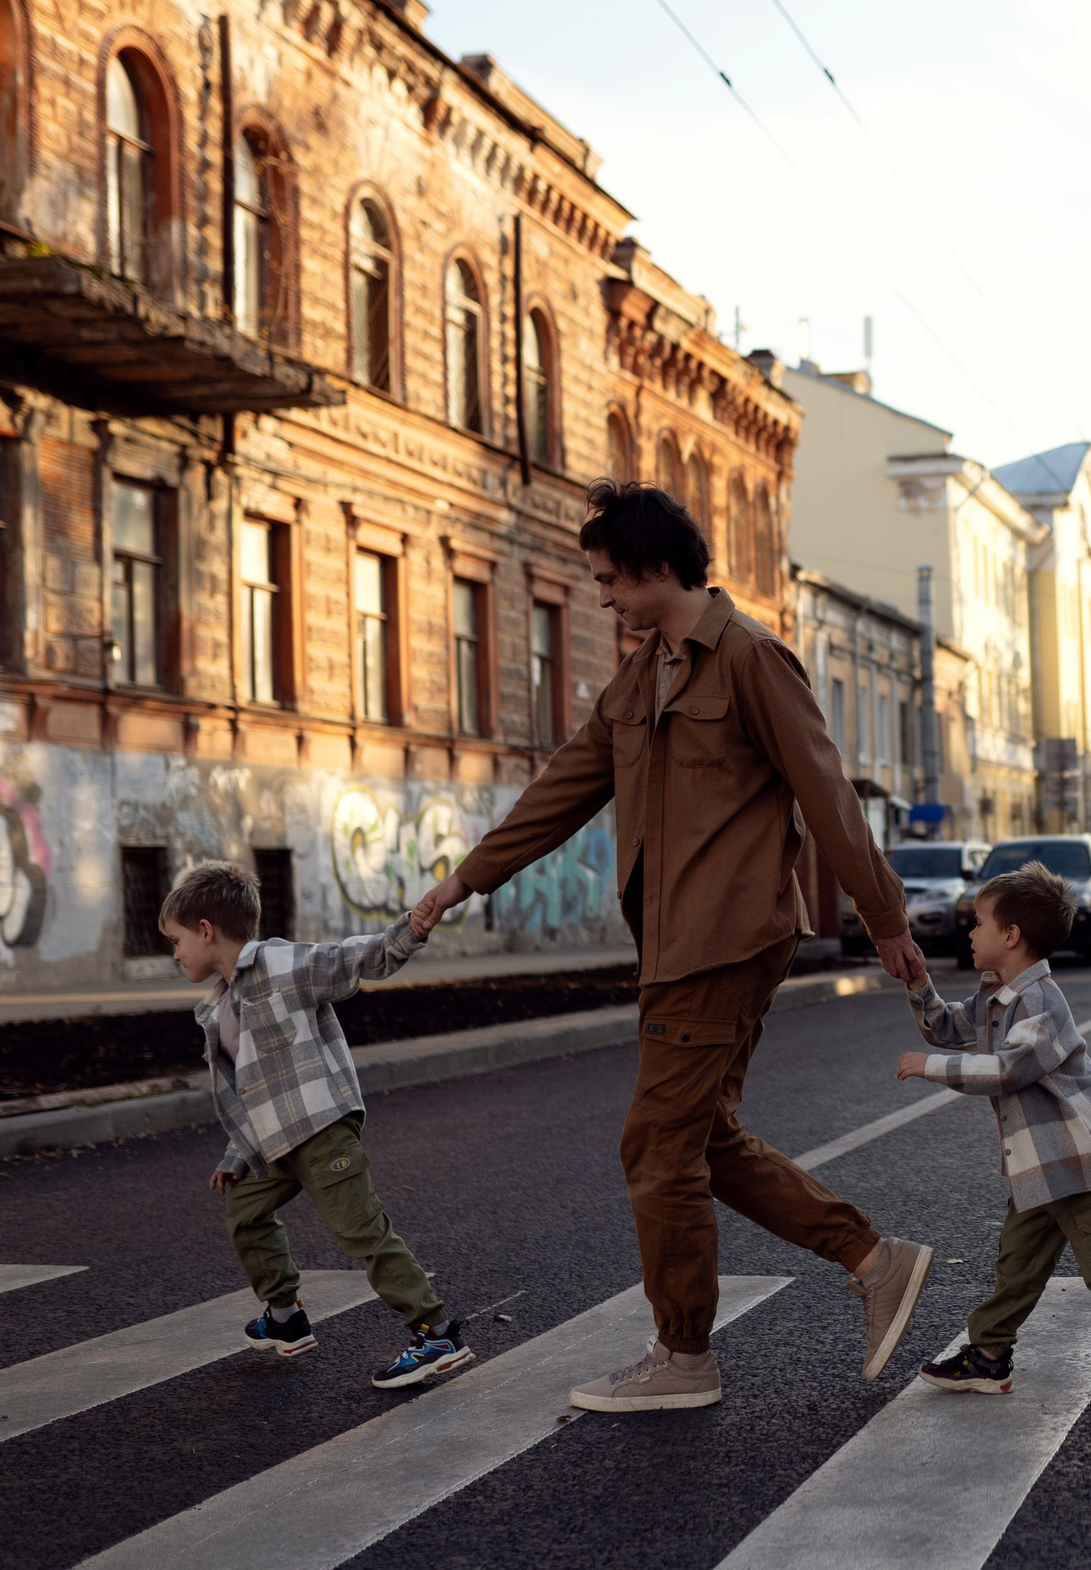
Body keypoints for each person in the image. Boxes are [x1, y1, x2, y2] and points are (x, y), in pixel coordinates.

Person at [407, 480, 936, 1413]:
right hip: (673, 943)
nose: (603, 598)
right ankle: (873, 1257)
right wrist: (464, 879)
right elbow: (570, 780)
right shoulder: (645, 672)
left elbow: (828, 795)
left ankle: (685, 1355)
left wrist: (884, 918)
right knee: (703, 1140)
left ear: (657, 570)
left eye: (612, 580)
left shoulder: (750, 658)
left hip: (724, 940)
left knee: (655, 1148)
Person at [896, 863, 1091, 1408]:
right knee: (1017, 1265)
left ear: (1011, 937)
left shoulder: (1040, 1002)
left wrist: (929, 1067)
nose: (969, 932)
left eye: (979, 922)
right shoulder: (997, 997)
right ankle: (988, 1357)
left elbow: (1009, 1069)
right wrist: (919, 983)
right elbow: (946, 1026)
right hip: (1038, 1164)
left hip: (1075, 1160)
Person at [168, 860, 471, 1390]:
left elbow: (356, 958)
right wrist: (237, 1156)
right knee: (245, 1213)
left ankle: (437, 1332)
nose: (174, 954)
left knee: (361, 1232)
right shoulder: (219, 1005)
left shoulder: (281, 963)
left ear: (206, 931)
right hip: (274, 1142)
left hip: (322, 1127)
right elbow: (250, 1088)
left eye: (176, 941)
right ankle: (286, 1318)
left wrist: (412, 927)